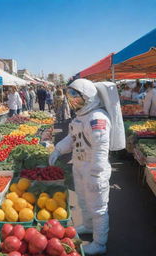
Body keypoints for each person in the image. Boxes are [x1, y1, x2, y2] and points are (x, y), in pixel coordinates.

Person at [49, 79, 125, 255]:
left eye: (77, 97)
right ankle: (89, 227)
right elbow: (72, 138)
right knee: (83, 201)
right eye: (71, 97)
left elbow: (101, 148)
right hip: (79, 166)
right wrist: (58, 150)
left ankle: (99, 243)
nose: (73, 101)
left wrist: (96, 174)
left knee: (98, 208)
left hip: (93, 170)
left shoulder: (97, 118)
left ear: (88, 98)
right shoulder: (81, 117)